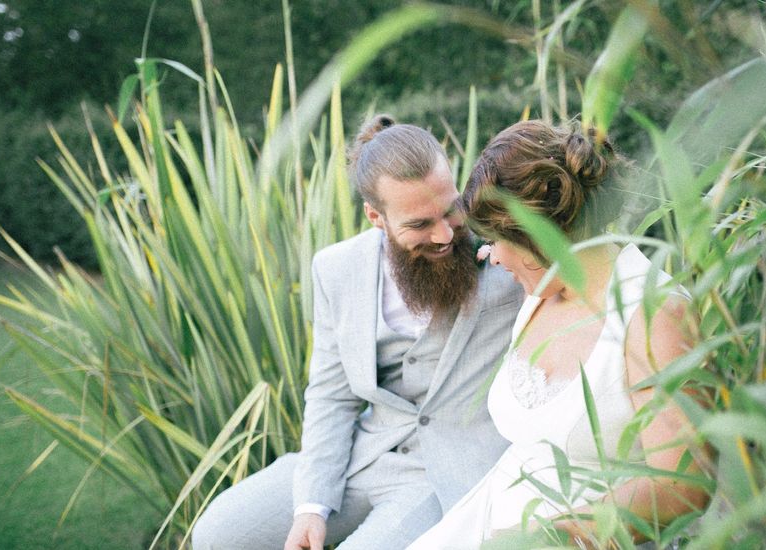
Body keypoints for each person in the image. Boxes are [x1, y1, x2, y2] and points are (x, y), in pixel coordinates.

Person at [191, 115, 524, 550]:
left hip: (446, 472)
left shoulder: (503, 255)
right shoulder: (336, 269)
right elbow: (332, 395)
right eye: (420, 224)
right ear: (375, 217)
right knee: (218, 535)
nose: (444, 235)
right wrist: (311, 505)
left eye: (450, 210)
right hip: (362, 455)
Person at [407, 120, 710, 549]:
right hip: (485, 519)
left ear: (537, 237)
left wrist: (544, 536)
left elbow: (684, 485)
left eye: (495, 240)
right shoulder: (538, 294)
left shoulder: (655, 312)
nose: (487, 255)